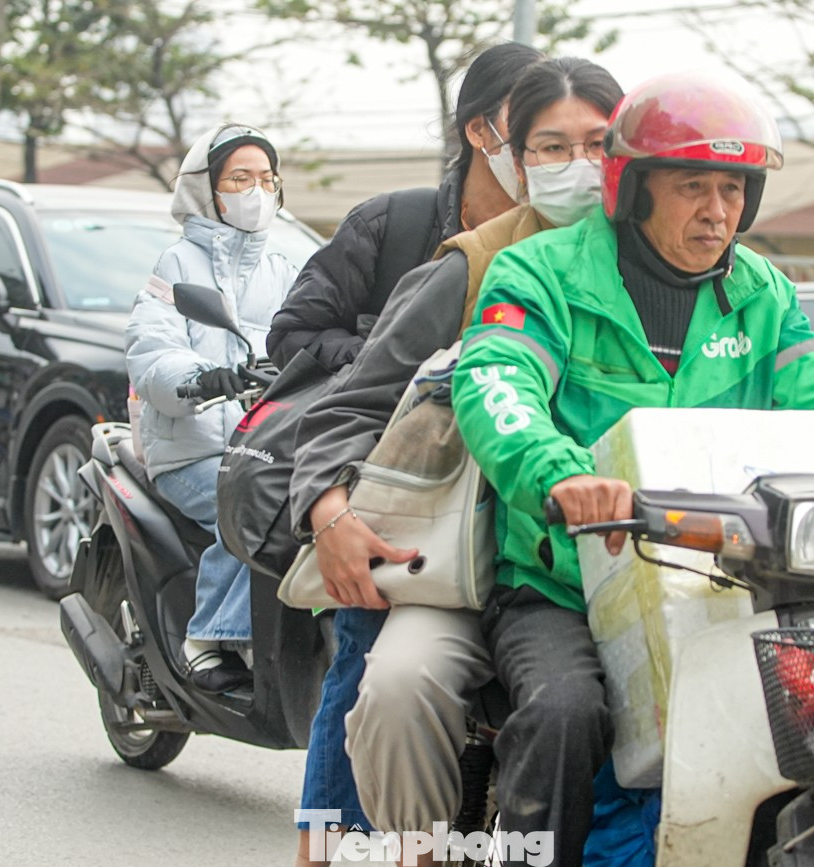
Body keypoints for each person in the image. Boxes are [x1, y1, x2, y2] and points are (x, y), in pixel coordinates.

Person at [449, 69, 814, 867]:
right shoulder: (540, 273)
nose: (717, 211)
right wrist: (558, 473)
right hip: (565, 581)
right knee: (566, 711)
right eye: (692, 187)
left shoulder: (761, 292)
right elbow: (497, 384)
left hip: (728, 583)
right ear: (634, 189)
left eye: (733, 189)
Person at [287, 57, 623, 842]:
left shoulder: (692, 270)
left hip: (639, 565)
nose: (579, 165)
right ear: (509, 151)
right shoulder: (473, 262)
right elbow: (350, 404)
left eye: (599, 144)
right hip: (467, 561)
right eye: (552, 147)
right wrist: (329, 513)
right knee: (383, 683)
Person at [125, 124, 296, 693]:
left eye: (267, 179)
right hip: (191, 451)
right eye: (240, 179)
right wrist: (202, 377)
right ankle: (207, 638)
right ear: (208, 189)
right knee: (250, 505)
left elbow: (312, 337)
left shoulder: (284, 268)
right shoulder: (177, 263)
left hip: (264, 443)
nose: (257, 191)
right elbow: (150, 348)